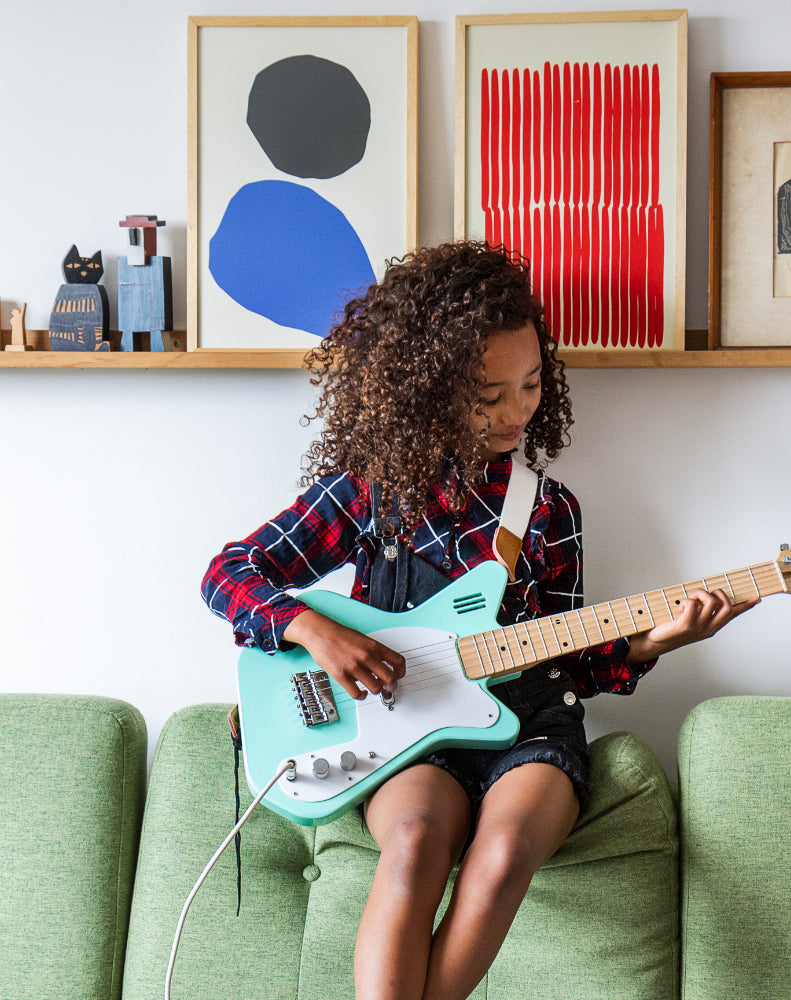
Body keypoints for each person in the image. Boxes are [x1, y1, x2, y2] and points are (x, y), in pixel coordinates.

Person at [201, 240, 756, 1000]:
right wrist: (313, 630)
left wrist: (652, 641)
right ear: (426, 391)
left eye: (531, 385)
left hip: (530, 724)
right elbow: (229, 574)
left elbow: (566, 653)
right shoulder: (370, 493)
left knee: (503, 857)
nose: (516, 412)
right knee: (414, 845)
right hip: (403, 728)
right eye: (488, 394)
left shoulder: (548, 509)